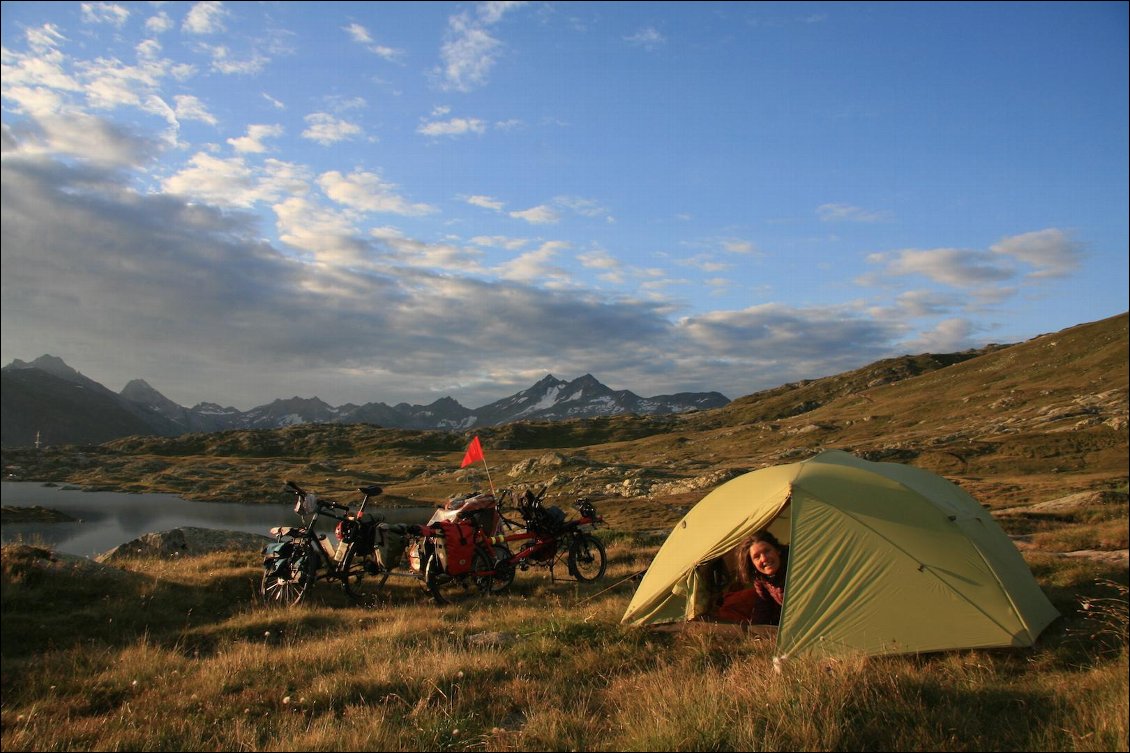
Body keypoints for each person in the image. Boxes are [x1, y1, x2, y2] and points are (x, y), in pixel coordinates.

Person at [715, 530, 789, 625]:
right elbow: (764, 607)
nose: (764, 558)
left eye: (767, 551)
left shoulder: (793, 565)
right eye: (757, 557)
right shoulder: (761, 579)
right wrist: (756, 633)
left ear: (777, 550)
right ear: (752, 563)